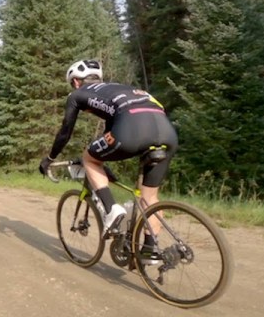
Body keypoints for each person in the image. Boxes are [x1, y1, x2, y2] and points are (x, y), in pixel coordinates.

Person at [39, 59, 178, 262]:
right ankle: (150, 249)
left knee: (89, 158)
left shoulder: (77, 95)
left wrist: (49, 158)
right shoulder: (120, 88)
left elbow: (65, 132)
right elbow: (111, 131)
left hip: (133, 128)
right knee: (150, 198)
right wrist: (104, 160)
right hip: (167, 132)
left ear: (76, 82)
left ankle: (112, 210)